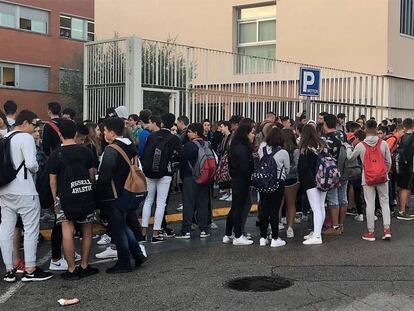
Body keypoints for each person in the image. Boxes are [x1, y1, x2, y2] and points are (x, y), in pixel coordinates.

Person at [0, 110, 53, 282]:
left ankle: (9, 269)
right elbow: (31, 164)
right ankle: (30, 268)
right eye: (33, 124)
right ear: (24, 123)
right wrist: (36, 168)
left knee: (6, 230)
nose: (34, 128)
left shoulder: (6, 137)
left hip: (5, 189)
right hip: (24, 190)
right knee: (30, 229)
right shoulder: (26, 138)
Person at [48, 119, 99, 280]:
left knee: (67, 231)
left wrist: (55, 197)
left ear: (59, 134)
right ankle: (84, 265)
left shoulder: (56, 154)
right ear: (76, 133)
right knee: (87, 229)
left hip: (65, 196)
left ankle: (71, 269)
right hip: (85, 193)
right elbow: (92, 174)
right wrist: (90, 187)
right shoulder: (86, 151)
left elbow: (53, 180)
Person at [97, 117, 147, 273]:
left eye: (105, 131)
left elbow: (105, 176)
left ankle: (124, 262)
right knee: (123, 226)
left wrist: (97, 195)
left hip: (114, 194)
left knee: (119, 229)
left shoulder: (111, 150)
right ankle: (138, 254)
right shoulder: (129, 145)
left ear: (111, 132)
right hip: (128, 192)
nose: (103, 133)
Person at [345, 119, 392, 241]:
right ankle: (387, 230)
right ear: (376, 129)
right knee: (384, 202)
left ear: (365, 129)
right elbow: (389, 161)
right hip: (382, 177)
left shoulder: (361, 145)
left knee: (369, 203)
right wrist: (384, 172)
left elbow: (350, 157)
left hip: (367, 178)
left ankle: (371, 232)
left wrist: (348, 147)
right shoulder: (383, 143)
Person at [141, 113, 180, 243]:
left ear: (161, 122)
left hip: (149, 173)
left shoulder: (151, 136)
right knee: (161, 203)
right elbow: (180, 154)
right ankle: (156, 234)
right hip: (165, 173)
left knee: (148, 201)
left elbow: (144, 153)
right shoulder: (173, 138)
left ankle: (143, 232)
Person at [175, 123, 212, 239]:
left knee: (189, 203)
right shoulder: (207, 144)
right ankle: (204, 229)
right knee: (203, 203)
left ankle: (186, 230)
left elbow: (179, 156)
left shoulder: (189, 146)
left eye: (190, 131)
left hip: (190, 177)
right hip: (205, 177)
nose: (188, 133)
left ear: (196, 133)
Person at [223, 123, 255, 246]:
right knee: (239, 208)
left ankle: (228, 233)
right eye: (252, 132)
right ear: (246, 134)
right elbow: (245, 167)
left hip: (237, 179)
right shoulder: (242, 148)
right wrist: (251, 179)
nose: (253, 135)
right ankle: (237, 235)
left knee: (235, 207)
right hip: (241, 180)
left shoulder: (236, 146)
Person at [257, 127, 290, 248]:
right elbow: (287, 169)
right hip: (277, 183)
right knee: (274, 210)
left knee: (264, 210)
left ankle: (262, 237)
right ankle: (275, 237)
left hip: (263, 182)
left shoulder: (263, 149)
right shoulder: (283, 152)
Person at [298, 124, 327, 245]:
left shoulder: (305, 149)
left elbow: (302, 167)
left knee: (315, 208)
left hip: (310, 181)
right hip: (323, 179)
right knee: (320, 206)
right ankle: (317, 231)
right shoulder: (322, 146)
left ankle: (317, 236)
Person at [321, 114, 348, 236]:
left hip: (331, 172)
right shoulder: (342, 134)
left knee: (333, 199)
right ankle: (341, 225)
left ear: (325, 123)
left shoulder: (325, 139)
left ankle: (335, 226)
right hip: (344, 170)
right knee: (343, 197)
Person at [282, 128, 300, 238]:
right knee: (291, 204)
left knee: (278, 203)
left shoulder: (278, 150)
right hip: (292, 179)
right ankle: (290, 227)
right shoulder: (296, 151)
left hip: (280, 178)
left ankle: (276, 224)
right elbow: (298, 166)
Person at [396, 118, 414, 220]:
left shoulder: (402, 137)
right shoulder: (411, 137)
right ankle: (402, 211)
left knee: (403, 187)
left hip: (401, 165)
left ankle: (402, 208)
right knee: (405, 187)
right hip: (408, 165)